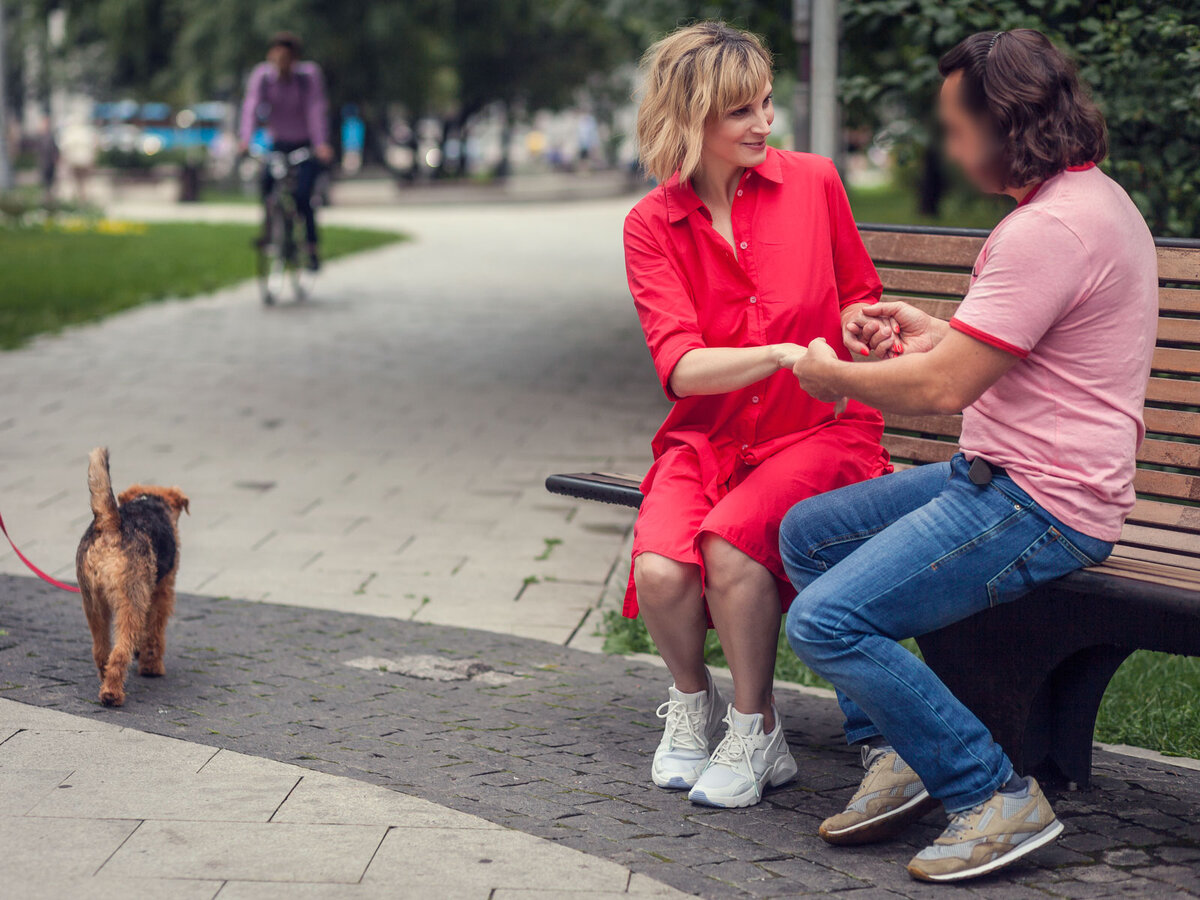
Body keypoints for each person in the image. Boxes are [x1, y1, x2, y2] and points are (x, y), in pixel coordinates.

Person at [776, 29, 1157, 882]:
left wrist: (828, 372)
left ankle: (991, 795)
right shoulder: (1087, 202)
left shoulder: (1047, 230)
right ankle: (898, 749)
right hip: (1001, 475)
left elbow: (943, 391)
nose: (949, 145)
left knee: (827, 620)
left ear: (1004, 123)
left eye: (955, 128)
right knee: (809, 534)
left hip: (1039, 504)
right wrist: (937, 330)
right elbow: (1012, 358)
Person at [623, 22, 892, 809]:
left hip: (820, 431)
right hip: (709, 438)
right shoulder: (652, 225)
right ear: (691, 117)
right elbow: (679, 367)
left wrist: (857, 327)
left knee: (731, 544)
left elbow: (856, 295)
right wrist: (780, 352)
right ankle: (691, 700)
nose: (764, 124)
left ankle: (755, 726)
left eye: (767, 103)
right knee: (662, 569)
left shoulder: (814, 183)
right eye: (741, 111)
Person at [239, 31, 332, 271]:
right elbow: (251, 106)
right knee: (267, 183)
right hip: (279, 143)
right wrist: (245, 139)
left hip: (306, 144)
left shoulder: (308, 76)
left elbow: (315, 108)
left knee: (302, 196)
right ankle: (269, 231)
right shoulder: (263, 76)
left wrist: (321, 143)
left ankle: (311, 248)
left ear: (295, 59)